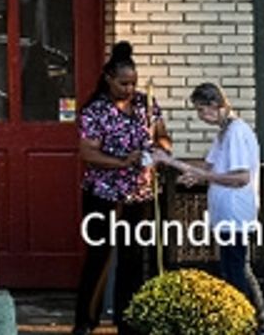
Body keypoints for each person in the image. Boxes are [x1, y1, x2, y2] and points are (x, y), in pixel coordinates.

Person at [73, 42, 171, 335]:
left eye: (133, 83)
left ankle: (128, 320)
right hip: (103, 193)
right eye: (123, 83)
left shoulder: (146, 104)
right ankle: (86, 321)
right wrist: (121, 161)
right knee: (100, 255)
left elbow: (164, 136)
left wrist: (158, 150)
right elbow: (87, 153)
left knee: (134, 256)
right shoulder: (96, 110)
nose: (129, 89)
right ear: (109, 79)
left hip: (139, 194)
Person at [165, 83, 264, 335]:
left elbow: (241, 177)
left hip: (236, 211)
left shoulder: (236, 132)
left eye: (201, 110)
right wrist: (189, 171)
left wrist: (199, 175)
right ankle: (257, 324)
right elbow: (211, 167)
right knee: (234, 267)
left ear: (215, 105)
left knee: (236, 269)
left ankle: (250, 324)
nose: (201, 116)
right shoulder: (223, 133)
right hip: (225, 212)